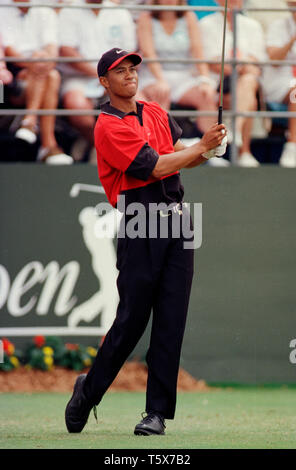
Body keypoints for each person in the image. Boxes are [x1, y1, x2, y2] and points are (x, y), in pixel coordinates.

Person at [65, 47, 227, 436]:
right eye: (119, 71)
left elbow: (177, 155)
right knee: (130, 324)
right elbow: (154, 166)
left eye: (132, 67)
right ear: (104, 81)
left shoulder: (154, 110)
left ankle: (156, 414)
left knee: (171, 322)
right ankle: (89, 390)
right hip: (140, 224)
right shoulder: (107, 125)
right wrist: (199, 148)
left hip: (179, 223)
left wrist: (210, 149)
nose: (129, 74)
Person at [58, 0, 137, 156]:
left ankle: (104, 150)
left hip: (116, 76)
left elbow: (129, 52)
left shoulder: (120, 12)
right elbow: (67, 50)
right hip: (78, 78)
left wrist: (111, 76)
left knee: (139, 105)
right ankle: (103, 149)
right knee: (78, 109)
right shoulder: (68, 11)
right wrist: (102, 74)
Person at [1, 0, 73, 163]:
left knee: (52, 75)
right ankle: (48, 145)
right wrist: (36, 62)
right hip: (14, 73)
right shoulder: (2, 8)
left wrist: (41, 61)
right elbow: (10, 50)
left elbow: (52, 48)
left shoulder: (44, 9)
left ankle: (30, 122)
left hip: (42, 69)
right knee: (50, 75)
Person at [199, 0, 266, 167]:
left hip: (245, 80)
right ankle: (242, 151)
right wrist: (240, 65)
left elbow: (258, 61)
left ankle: (236, 131)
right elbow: (211, 61)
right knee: (248, 96)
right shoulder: (206, 24)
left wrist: (239, 65)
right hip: (219, 82)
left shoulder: (253, 25)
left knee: (249, 84)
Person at [137, 0, 218, 136]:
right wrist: (161, 80)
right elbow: (149, 53)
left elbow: (198, 51)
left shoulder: (189, 17)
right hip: (153, 76)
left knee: (208, 97)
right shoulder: (146, 18)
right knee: (161, 94)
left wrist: (205, 80)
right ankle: (162, 150)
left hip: (183, 77)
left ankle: (209, 151)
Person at [263, 0, 296, 167]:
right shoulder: (278, 26)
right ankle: (292, 146)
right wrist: (292, 40)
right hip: (279, 83)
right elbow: (275, 59)